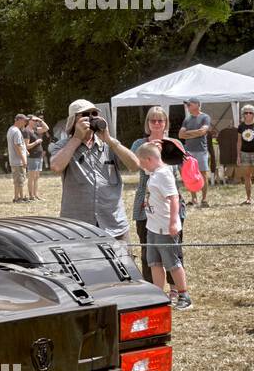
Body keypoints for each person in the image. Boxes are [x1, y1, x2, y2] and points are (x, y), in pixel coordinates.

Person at [48, 99, 139, 243]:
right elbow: (56, 166)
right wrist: (77, 138)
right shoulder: (63, 146)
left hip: (113, 225)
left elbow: (134, 166)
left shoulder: (109, 144)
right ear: (73, 121)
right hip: (78, 228)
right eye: (85, 114)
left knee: (122, 265)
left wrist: (109, 140)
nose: (91, 118)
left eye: (94, 113)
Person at [131, 106, 185, 293]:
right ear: (147, 123)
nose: (156, 124)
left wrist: (162, 154)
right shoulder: (139, 143)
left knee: (172, 249)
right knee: (149, 251)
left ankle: (176, 290)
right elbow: (133, 165)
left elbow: (179, 172)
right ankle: (153, 292)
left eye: (160, 120)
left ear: (166, 123)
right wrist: (149, 150)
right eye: (152, 120)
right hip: (145, 202)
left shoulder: (174, 143)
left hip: (169, 201)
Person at [137, 142, 193, 310]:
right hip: (152, 227)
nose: (141, 166)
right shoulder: (153, 172)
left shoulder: (163, 174)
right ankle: (158, 296)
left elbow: (174, 198)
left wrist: (174, 221)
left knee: (172, 262)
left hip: (165, 228)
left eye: (142, 162)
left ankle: (184, 296)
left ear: (149, 160)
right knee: (153, 262)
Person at [178, 99, 212, 207]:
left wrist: (188, 133)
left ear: (197, 105)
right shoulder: (187, 119)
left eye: (189, 104)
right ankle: (194, 199)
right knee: (190, 175)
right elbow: (180, 135)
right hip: (189, 151)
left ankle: (204, 199)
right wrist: (196, 133)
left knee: (203, 174)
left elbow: (203, 131)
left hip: (201, 150)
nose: (187, 106)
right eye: (187, 104)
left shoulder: (205, 117)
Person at [235, 105, 254, 206]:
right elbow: (239, 142)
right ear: (243, 114)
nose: (248, 115)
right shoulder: (241, 126)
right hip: (244, 153)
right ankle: (248, 198)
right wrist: (238, 156)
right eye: (246, 113)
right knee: (247, 176)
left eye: (250, 113)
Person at [25, 114, 48, 201]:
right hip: (32, 156)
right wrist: (36, 142)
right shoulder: (26, 131)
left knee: (37, 177)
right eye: (34, 120)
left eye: (36, 121)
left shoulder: (35, 130)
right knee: (31, 177)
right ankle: (31, 196)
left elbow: (46, 128)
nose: (36, 122)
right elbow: (26, 146)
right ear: (29, 121)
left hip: (39, 156)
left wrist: (40, 120)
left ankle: (36, 195)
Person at [7, 114, 29, 202]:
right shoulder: (16, 131)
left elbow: (19, 145)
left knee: (18, 180)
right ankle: (18, 198)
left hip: (14, 160)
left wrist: (25, 151)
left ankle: (19, 197)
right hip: (18, 160)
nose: (25, 122)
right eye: (24, 120)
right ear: (18, 120)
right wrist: (23, 160)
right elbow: (17, 146)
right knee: (20, 180)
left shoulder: (11, 129)